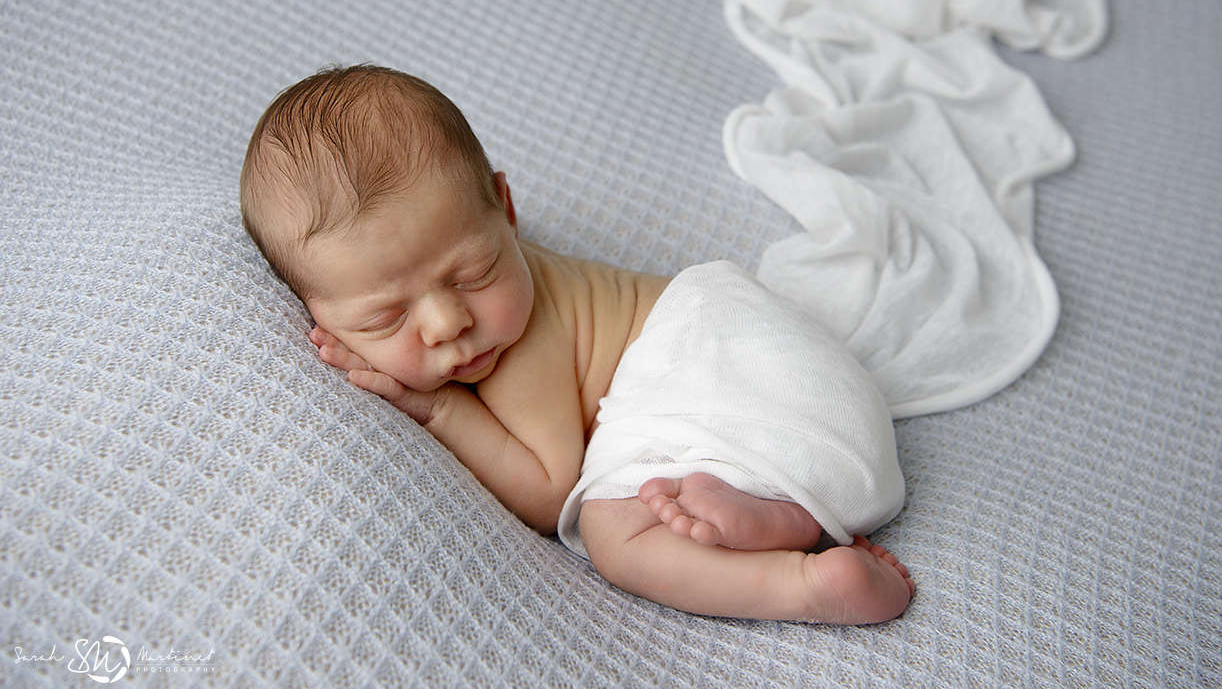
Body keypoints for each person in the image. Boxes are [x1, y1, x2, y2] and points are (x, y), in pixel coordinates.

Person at [239, 64, 914, 624]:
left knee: (614, 534)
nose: (447, 322)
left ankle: (801, 583)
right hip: (795, 390)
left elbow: (546, 487)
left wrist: (440, 410)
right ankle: (777, 514)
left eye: (472, 272)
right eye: (385, 318)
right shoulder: (471, 260)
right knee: (667, 501)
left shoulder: (521, 348)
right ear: (317, 314)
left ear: (505, 208)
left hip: (730, 368)